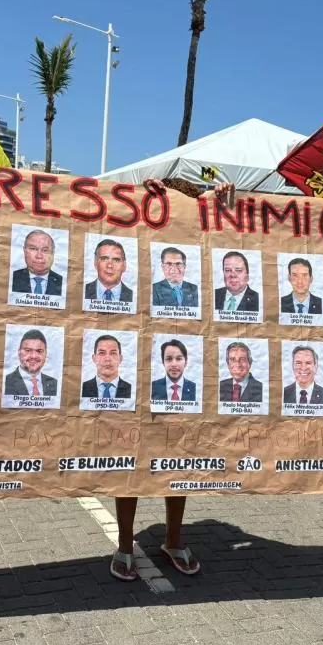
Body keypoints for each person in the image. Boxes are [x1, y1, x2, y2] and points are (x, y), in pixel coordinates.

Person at [111, 179, 236, 583]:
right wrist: (138, 193)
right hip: (141, 365)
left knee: (178, 457)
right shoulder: (143, 244)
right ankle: (125, 544)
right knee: (130, 460)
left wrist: (228, 200)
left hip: (184, 364)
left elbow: (236, 241)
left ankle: (173, 539)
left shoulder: (199, 256)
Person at [3, 329, 57, 396]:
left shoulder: (55, 384)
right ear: (19, 352)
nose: (33, 356)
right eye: (28, 350)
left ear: (46, 354)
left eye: (39, 351)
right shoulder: (5, 382)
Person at [10, 230, 63, 295]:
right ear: (24, 251)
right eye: (33, 249)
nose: (39, 256)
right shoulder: (11, 278)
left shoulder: (63, 281)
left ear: (53, 253)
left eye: (45, 250)